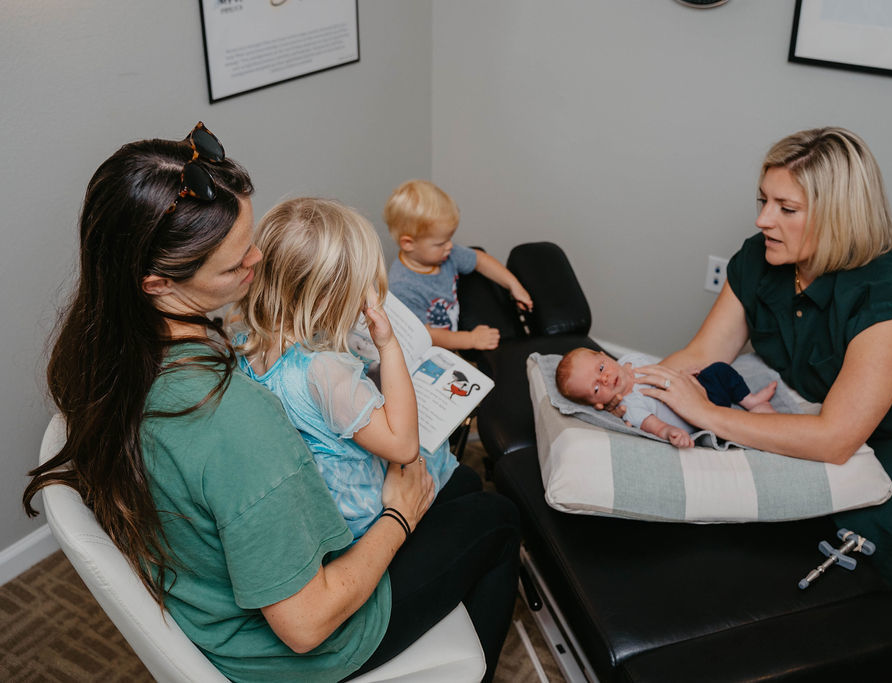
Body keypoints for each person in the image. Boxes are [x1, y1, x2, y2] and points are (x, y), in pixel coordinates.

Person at [22, 123, 520, 682]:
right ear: (158, 283)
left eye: (252, 241)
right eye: (237, 263)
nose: (258, 260)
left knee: (460, 484)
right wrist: (398, 517)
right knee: (498, 518)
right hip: (291, 650)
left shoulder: (111, 361)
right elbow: (305, 625)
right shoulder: (235, 420)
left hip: (211, 596)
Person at [625, 127, 892, 589]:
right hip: (838, 412)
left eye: (786, 209)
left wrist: (706, 413)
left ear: (839, 216)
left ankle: (867, 615)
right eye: (763, 200)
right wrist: (626, 388)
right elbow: (702, 355)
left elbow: (833, 440)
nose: (763, 220)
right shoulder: (762, 258)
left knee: (863, 514)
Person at [234, 198, 458, 539]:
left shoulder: (244, 337)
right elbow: (403, 447)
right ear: (328, 297)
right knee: (441, 461)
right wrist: (388, 344)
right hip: (361, 516)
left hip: (315, 503)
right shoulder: (323, 370)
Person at [384, 179, 533, 350]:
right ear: (408, 244)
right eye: (440, 243)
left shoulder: (447, 254)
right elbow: (426, 334)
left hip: (449, 337)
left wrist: (514, 286)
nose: (449, 246)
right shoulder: (403, 287)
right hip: (425, 351)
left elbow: (480, 260)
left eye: (449, 239)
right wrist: (471, 339)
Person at [556, 347, 776, 447]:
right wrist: (671, 432)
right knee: (723, 431)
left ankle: (751, 401)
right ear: (598, 404)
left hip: (697, 389)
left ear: (604, 355)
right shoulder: (630, 406)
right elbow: (656, 426)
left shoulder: (632, 359)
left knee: (719, 369)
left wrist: (684, 376)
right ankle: (751, 417)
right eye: (596, 388)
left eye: (601, 368)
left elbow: (665, 373)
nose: (604, 378)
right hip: (700, 418)